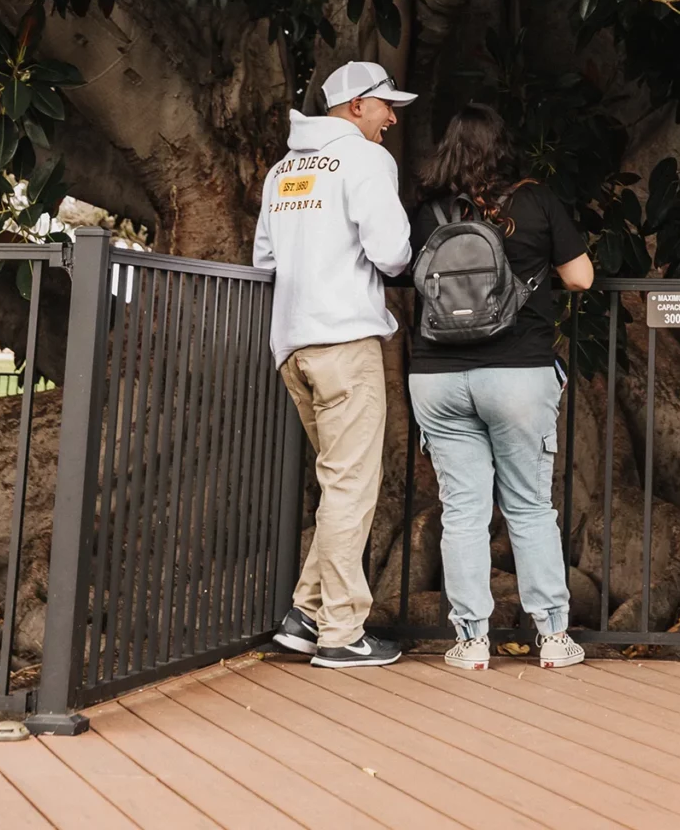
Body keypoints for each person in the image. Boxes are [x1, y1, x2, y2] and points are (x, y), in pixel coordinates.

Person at [406, 103, 594, 673]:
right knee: (529, 507)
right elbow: (580, 277)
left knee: (462, 511)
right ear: (503, 147)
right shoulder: (537, 201)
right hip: (517, 372)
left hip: (436, 376)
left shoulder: (428, 213)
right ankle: (554, 637)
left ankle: (470, 641)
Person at [254, 58, 416, 669]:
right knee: (351, 486)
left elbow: (265, 257)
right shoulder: (367, 160)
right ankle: (343, 633)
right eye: (384, 106)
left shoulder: (285, 168)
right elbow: (393, 253)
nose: (391, 119)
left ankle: (304, 616)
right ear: (355, 107)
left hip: (292, 344)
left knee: (336, 484)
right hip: (346, 343)